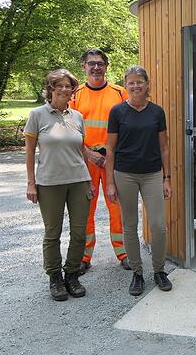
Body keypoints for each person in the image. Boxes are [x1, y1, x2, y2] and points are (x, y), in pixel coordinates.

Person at [104, 66, 173, 295]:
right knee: (130, 226)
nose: (136, 86)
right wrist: (110, 183)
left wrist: (167, 178)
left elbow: (164, 147)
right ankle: (137, 273)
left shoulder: (157, 112)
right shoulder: (117, 112)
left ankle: (159, 270)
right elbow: (110, 150)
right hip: (125, 175)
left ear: (146, 85)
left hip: (152, 173)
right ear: (126, 85)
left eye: (140, 82)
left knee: (158, 226)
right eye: (131, 82)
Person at [25, 69, 91, 301]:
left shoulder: (77, 117)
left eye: (68, 86)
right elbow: (30, 152)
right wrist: (31, 183)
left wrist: (94, 169)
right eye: (59, 86)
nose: (64, 90)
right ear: (50, 88)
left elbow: (81, 150)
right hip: (49, 183)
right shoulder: (37, 115)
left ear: (73, 90)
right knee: (53, 233)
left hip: (79, 181)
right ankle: (55, 277)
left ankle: (72, 274)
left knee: (79, 232)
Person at [70, 48, 129, 272]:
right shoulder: (75, 94)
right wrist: (89, 153)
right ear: (84, 66)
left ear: (107, 66)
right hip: (86, 161)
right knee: (85, 210)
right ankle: (84, 257)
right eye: (91, 63)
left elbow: (129, 125)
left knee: (118, 208)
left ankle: (123, 252)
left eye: (100, 63)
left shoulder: (120, 93)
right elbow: (68, 130)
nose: (96, 67)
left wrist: (113, 154)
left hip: (114, 160)